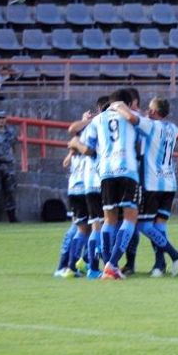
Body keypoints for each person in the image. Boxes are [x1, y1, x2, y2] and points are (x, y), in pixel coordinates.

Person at [108, 97, 178, 278]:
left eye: (149, 109)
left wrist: (118, 105)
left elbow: (130, 118)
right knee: (159, 225)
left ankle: (175, 255)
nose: (146, 111)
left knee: (144, 225)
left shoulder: (151, 126)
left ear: (153, 112)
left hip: (152, 183)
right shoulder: (173, 129)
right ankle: (159, 265)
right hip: (169, 182)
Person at [69, 89, 140, 280]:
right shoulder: (131, 116)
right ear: (127, 103)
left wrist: (76, 146)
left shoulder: (97, 121)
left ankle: (105, 266)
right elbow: (140, 143)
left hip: (105, 172)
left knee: (107, 221)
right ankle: (112, 263)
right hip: (127, 169)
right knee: (130, 218)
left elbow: (89, 147)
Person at [65, 96, 109, 280]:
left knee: (88, 227)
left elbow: (74, 140)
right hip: (98, 180)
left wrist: (75, 144)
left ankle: (74, 266)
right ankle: (93, 267)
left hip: (85, 183)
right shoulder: (100, 125)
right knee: (99, 226)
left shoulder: (88, 128)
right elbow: (86, 149)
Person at [55, 135, 91, 278]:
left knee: (79, 228)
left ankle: (69, 265)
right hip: (84, 190)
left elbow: (65, 163)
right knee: (83, 229)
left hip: (73, 191)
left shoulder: (76, 147)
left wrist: (71, 150)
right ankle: (69, 265)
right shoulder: (86, 146)